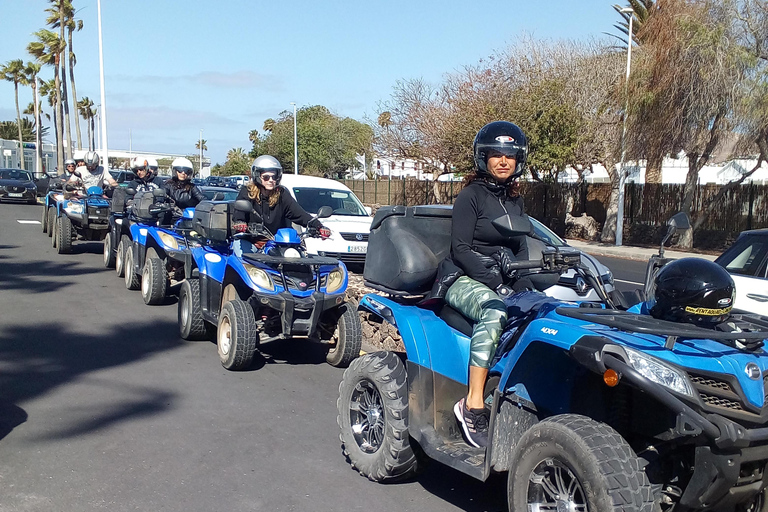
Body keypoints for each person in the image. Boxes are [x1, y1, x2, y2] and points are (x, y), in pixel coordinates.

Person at [440, 121, 530, 449]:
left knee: (541, 313)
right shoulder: (471, 196)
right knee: (494, 313)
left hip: (500, 279)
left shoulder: (515, 201)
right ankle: (472, 404)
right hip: (462, 278)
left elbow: (520, 249)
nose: (503, 160)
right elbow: (460, 249)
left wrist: (526, 283)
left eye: (510, 155)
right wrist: (496, 283)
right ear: (483, 158)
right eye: (495, 154)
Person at [231, 155, 328, 256]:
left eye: (274, 177)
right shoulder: (247, 192)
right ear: (257, 176)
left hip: (277, 243)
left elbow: (299, 213)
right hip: (251, 241)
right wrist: (240, 222)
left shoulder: (282, 194)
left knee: (300, 258)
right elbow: (240, 211)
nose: (271, 180)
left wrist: (318, 226)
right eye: (266, 177)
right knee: (243, 257)